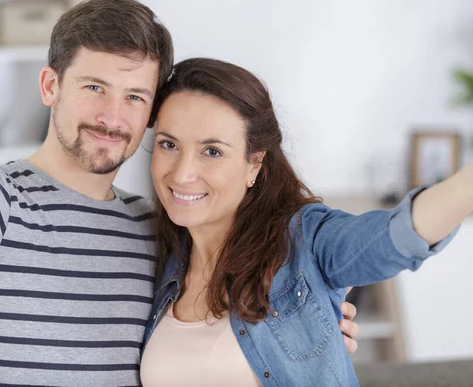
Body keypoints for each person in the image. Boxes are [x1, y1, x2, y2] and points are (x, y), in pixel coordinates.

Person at [0, 0, 358, 386]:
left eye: (134, 97)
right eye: (93, 88)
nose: (112, 116)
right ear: (50, 86)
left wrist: (310, 328)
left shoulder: (160, 227)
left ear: (151, 115)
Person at [140, 57, 467, 387]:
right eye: (169, 144)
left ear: (254, 164)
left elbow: (391, 238)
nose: (182, 173)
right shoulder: (158, 256)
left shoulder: (303, 242)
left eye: (212, 151)